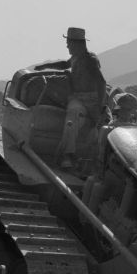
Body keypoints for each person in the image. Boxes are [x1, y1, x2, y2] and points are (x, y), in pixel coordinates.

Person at [34, 27, 107, 169]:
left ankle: (98, 162)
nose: (67, 46)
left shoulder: (90, 60)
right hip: (78, 98)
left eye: (68, 43)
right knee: (72, 116)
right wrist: (45, 66)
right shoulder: (75, 57)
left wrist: (101, 106)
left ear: (77, 44)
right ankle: (68, 154)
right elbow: (64, 64)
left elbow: (101, 82)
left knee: (102, 127)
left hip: (92, 100)